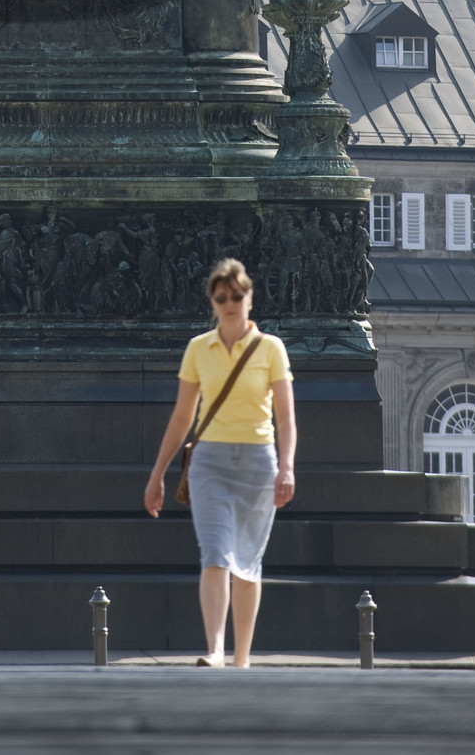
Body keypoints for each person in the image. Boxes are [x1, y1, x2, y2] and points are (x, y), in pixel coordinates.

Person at [143, 255, 296, 668]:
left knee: (247, 562)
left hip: (257, 463)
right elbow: (182, 416)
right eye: (221, 296)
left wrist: (287, 466)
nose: (230, 302)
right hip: (209, 459)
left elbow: (285, 416)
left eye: (237, 295)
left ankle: (242, 658)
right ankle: (214, 648)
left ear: (250, 298)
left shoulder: (271, 349)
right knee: (214, 553)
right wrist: (157, 474)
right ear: (212, 301)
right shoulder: (198, 349)